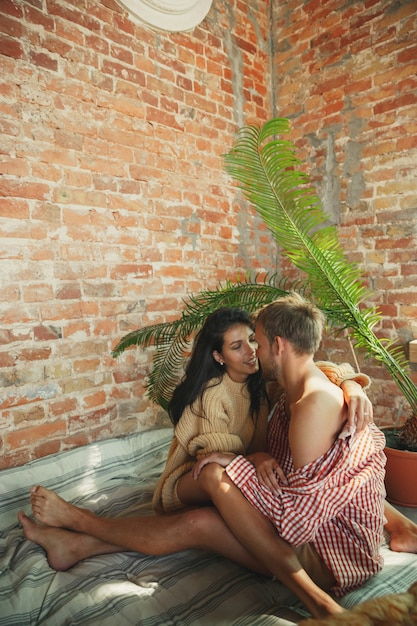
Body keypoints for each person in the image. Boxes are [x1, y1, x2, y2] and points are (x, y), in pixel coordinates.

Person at [18, 298, 417, 618]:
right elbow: (317, 372)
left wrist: (236, 461)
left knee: (206, 499)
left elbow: (299, 519)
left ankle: (80, 534)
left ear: (277, 346)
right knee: (203, 500)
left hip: (328, 556)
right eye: (241, 345)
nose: (254, 351)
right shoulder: (279, 387)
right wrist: (346, 381)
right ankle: (77, 543)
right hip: (280, 519)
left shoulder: (310, 402)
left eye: (256, 341)